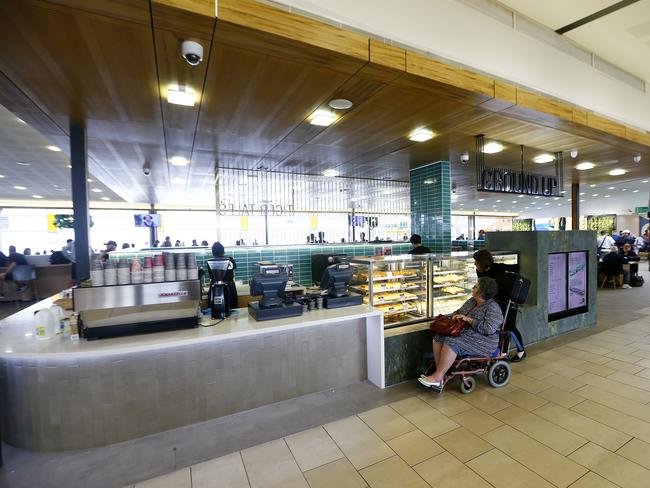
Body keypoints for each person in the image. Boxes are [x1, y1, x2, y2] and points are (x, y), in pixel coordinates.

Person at [419, 277, 503, 390]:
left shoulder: (492, 307)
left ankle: (437, 377)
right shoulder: (472, 301)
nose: (473, 287)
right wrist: (449, 317)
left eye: (476, 286)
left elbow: (489, 328)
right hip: (466, 334)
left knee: (452, 342)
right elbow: (459, 312)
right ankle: (440, 374)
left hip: (484, 341)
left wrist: (469, 320)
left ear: (482, 292)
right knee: (438, 337)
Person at [473, 249, 525, 360]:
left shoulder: (498, 267)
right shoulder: (479, 271)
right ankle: (502, 353)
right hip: (493, 302)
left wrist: (508, 280)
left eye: (476, 261)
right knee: (497, 326)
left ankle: (521, 351)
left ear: (482, 262)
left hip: (508, 300)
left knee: (509, 326)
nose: (474, 264)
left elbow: (517, 268)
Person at [211, 242, 238, 310]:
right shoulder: (230, 259)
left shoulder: (211, 262)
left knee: (218, 310)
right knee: (232, 309)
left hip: (217, 289)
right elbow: (233, 272)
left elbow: (212, 278)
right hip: (230, 287)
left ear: (213, 252)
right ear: (223, 251)